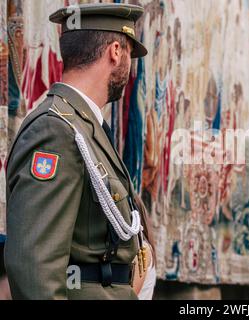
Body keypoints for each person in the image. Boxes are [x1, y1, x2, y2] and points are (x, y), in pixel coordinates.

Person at [4, 3, 153, 300]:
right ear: (115, 51)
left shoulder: (84, 126)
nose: (128, 65)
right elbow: (36, 272)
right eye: (129, 55)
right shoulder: (55, 130)